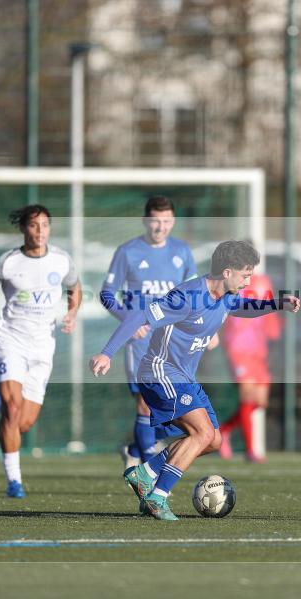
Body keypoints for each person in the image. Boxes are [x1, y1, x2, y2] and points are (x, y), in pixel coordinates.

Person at [90, 241, 300, 520]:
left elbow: (243, 306)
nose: (249, 280)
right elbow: (139, 316)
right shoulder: (187, 296)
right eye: (245, 274)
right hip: (159, 371)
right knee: (201, 434)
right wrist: (106, 354)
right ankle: (157, 496)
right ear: (227, 272)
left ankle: (146, 472)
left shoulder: (225, 296)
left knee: (212, 440)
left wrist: (277, 304)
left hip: (184, 376)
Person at [0, 205, 81, 498]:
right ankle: (14, 481)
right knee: (14, 411)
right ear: (23, 228)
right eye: (34, 225)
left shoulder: (61, 260)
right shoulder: (8, 262)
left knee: (24, 423)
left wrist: (72, 313)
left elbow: (75, 288)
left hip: (43, 346)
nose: (40, 231)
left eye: (45, 225)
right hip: (11, 342)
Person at [99, 196, 197, 469]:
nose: (160, 227)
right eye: (155, 221)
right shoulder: (128, 252)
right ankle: (147, 472)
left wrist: (206, 327)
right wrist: (131, 321)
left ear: (173, 222)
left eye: (166, 221)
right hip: (141, 343)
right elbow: (107, 295)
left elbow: (193, 295)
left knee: (174, 409)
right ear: (145, 221)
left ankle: (134, 448)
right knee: (145, 404)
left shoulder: (182, 252)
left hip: (174, 343)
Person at [218, 271, 281, 462]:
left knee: (260, 401)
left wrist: (273, 330)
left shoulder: (264, 281)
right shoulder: (230, 280)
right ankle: (251, 450)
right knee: (247, 395)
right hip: (237, 346)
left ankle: (223, 431)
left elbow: (268, 310)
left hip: (258, 349)